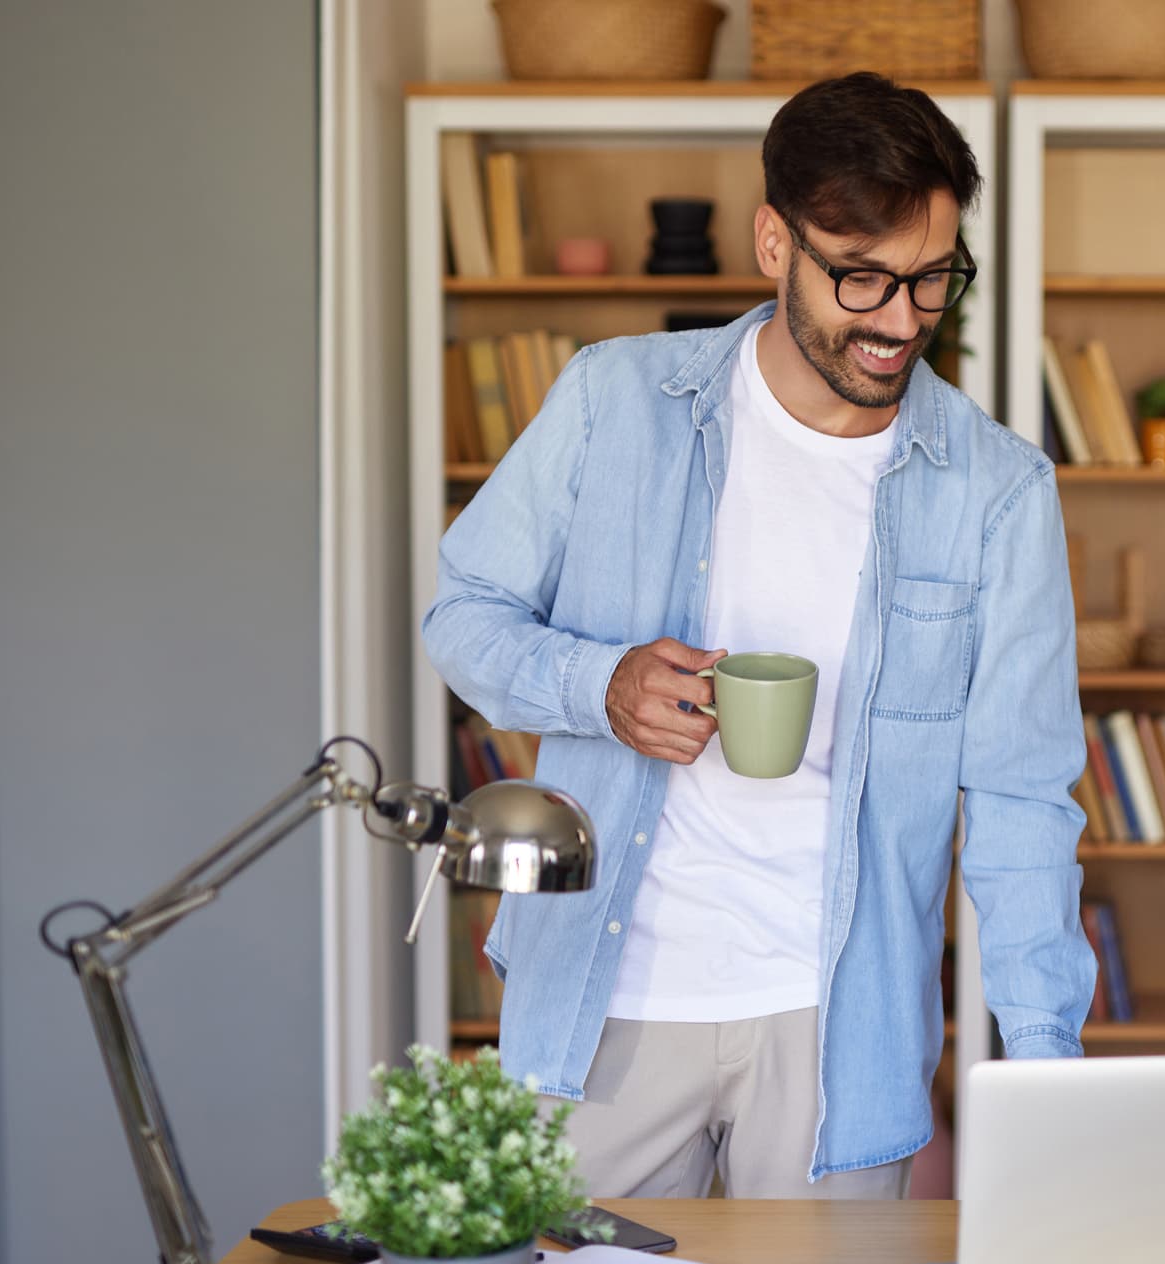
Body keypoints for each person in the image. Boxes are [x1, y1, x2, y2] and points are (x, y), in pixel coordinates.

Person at [423, 73, 1094, 1199]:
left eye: (933, 280)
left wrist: (1045, 1068)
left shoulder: (997, 490)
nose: (898, 321)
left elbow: (1024, 801)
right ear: (772, 242)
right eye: (863, 278)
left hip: (841, 1026)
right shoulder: (611, 401)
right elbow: (463, 617)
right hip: (606, 1001)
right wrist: (600, 685)